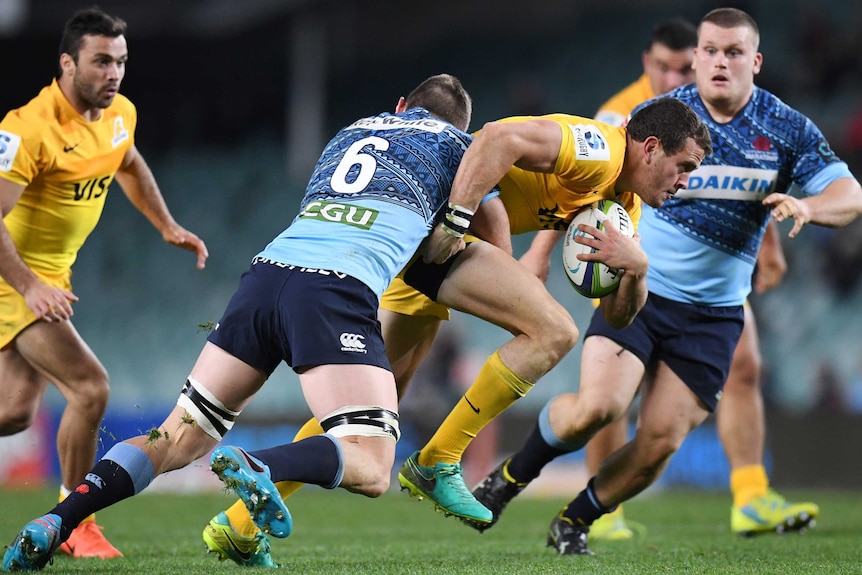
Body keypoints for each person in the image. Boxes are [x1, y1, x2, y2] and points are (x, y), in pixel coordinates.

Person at [200, 98, 712, 567]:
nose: (685, 180)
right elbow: (495, 137)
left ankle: (237, 527)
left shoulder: (625, 202)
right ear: (649, 148)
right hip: (438, 233)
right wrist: (461, 219)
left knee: (371, 411)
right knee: (553, 331)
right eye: (683, 166)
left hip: (425, 240)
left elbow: (620, 317)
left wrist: (638, 269)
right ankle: (439, 460)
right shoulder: (598, 149)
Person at [0, 73, 479, 573]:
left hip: (265, 277)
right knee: (374, 463)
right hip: (335, 289)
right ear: (460, 127)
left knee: (176, 437)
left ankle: (58, 520)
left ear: (400, 105)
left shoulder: (351, 133)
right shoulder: (458, 148)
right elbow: (473, 221)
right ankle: (261, 464)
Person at [470, 7, 862, 556]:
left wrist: (810, 206)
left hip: (715, 314)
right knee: (598, 409)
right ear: (695, 57)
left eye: (733, 52)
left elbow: (851, 194)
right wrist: (540, 248)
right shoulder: (658, 118)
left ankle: (575, 520)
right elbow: (587, 181)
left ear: (756, 60)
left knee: (659, 446)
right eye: (709, 51)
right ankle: (511, 476)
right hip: (639, 292)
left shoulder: (786, 128)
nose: (719, 62)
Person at [560, 17, 813, 541]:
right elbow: (586, 191)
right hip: (632, 264)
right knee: (611, 397)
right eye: (667, 65)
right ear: (648, 64)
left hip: (708, 282)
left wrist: (767, 241)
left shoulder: (701, 119)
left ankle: (750, 496)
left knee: (745, 364)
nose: (676, 73)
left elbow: (740, 190)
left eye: (682, 64)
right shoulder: (621, 116)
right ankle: (603, 507)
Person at [0, 7, 208, 561]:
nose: (113, 73)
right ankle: (71, 524)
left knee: (15, 412)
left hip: (47, 279)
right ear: (67, 63)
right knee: (90, 388)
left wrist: (166, 225)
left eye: (119, 61)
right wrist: (27, 286)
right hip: (13, 277)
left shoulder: (119, 115)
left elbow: (129, 163)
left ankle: (68, 522)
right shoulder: (27, 128)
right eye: (100, 61)